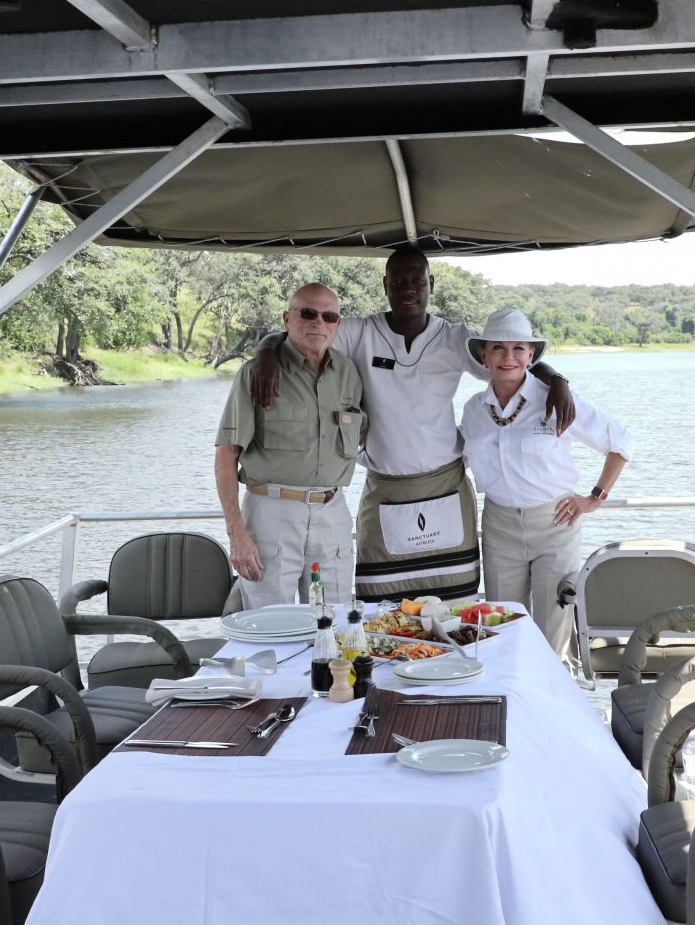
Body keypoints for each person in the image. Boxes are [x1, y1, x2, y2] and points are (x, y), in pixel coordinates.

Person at [251, 248, 575, 602]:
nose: (408, 288)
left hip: (445, 486)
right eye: (399, 281)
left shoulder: (455, 338)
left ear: (430, 284)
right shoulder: (360, 332)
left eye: (417, 280)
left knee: (455, 608)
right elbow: (292, 334)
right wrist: (266, 355)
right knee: (383, 608)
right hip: (386, 489)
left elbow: (510, 359)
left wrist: (557, 379)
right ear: (385, 285)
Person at [460, 308, 633, 672]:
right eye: (498, 348)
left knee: (553, 634)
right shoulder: (474, 409)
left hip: (555, 524)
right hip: (499, 526)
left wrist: (594, 499)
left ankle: (552, 714)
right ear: (483, 355)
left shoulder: (556, 401)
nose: (509, 357)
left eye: (519, 348)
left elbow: (620, 443)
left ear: (531, 356)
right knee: (501, 630)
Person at [214, 283, 366, 609]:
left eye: (329, 316)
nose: (318, 323)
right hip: (271, 513)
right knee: (271, 625)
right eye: (308, 313)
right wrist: (237, 535)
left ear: (339, 323)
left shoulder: (349, 374)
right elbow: (227, 455)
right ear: (286, 318)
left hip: (333, 511)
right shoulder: (257, 373)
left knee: (334, 621)